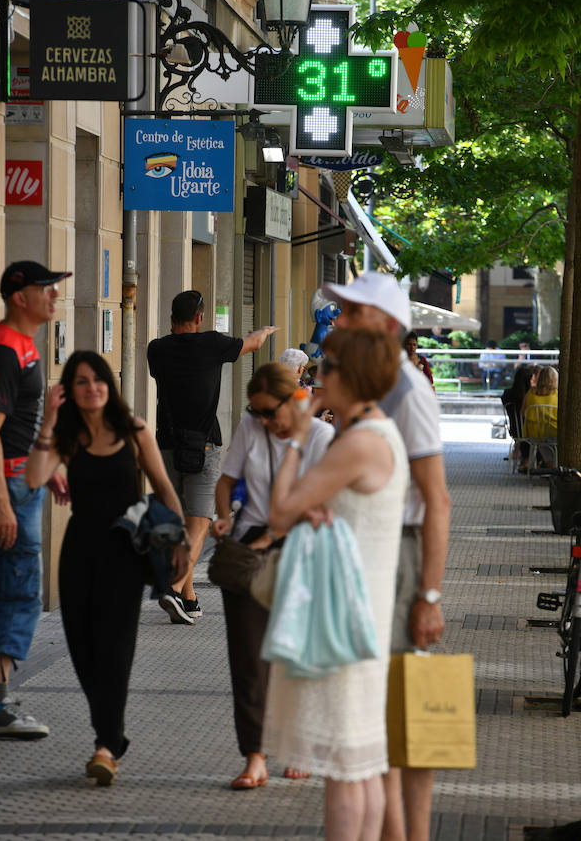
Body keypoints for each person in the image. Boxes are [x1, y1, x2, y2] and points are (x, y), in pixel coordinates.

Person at [263, 327, 408, 841]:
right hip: (360, 618)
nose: (320, 377)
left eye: (330, 368)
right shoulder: (380, 432)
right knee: (360, 767)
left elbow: (279, 512)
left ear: (354, 376)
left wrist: (299, 442)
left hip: (342, 624)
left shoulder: (357, 443)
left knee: (347, 774)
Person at [322, 273, 451, 841]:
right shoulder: (373, 384)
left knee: (401, 721)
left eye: (354, 312)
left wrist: (428, 595)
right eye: (342, 311)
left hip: (395, 561)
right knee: (383, 730)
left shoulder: (406, 390)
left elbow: (437, 499)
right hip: (374, 557)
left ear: (390, 326)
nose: (341, 321)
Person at [25, 351, 188, 785]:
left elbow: (165, 489)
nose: (91, 388)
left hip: (124, 556)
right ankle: (110, 737)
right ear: (69, 391)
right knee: (82, 649)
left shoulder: (134, 431)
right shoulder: (68, 436)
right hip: (78, 552)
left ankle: (106, 745)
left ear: (108, 385)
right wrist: (46, 423)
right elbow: (34, 477)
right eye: (80, 382)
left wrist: (181, 543)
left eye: (97, 380)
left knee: (114, 652)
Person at [212, 362, 334, 790]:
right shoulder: (251, 426)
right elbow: (226, 481)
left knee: (296, 658)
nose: (264, 421)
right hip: (248, 553)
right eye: (256, 412)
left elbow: (326, 505)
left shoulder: (322, 438)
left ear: (296, 398)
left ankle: (300, 745)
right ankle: (255, 756)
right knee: (248, 660)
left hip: (302, 553)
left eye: (269, 412)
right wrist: (224, 517)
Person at [147, 290, 277, 626]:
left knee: (179, 523)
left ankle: (188, 600)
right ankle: (174, 588)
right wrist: (263, 332)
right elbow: (251, 345)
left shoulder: (156, 349)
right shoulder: (212, 344)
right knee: (200, 522)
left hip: (167, 445)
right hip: (203, 445)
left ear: (171, 316)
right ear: (201, 317)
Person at [0, 261, 72, 738]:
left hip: (23, 482)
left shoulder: (22, 345)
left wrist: (46, 470)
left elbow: (14, 429)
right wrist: (1, 501)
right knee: (17, 591)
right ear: (21, 297)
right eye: (46, 289)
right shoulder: (1, 349)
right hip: (11, 489)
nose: (54, 296)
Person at [521, 366, 559, 467]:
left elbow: (523, 413)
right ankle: (553, 468)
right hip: (555, 433)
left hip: (535, 434)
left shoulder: (530, 393)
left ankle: (549, 466)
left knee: (543, 445)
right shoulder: (557, 396)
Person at [501, 365, 533, 472]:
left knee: (522, 430)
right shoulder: (532, 396)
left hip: (515, 429)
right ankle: (529, 461)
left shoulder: (507, 394)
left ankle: (520, 455)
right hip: (530, 431)